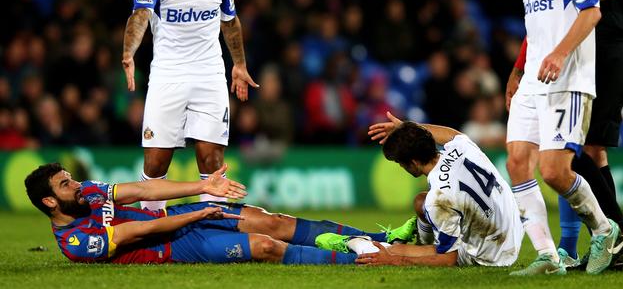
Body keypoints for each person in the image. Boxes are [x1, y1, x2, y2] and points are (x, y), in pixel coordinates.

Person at [507, 0, 623, 267]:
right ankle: (550, 255)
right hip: (537, 77)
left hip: (578, 67)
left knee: (565, 163)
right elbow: (535, 25)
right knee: (519, 161)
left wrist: (561, 53)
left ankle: (608, 228)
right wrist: (519, 70)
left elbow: (602, 0)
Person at [24, 162, 417, 265]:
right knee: (265, 245)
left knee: (271, 221)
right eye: (65, 185)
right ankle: (360, 259)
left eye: (70, 179)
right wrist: (194, 217)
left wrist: (203, 189)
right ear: (49, 203)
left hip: (185, 216)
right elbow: (139, 234)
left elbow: (142, 190)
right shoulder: (75, 242)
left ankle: (383, 238)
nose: (75, 185)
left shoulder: (90, 195)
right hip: (174, 245)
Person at [121, 0, 258, 211]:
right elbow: (140, 17)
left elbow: (230, 22)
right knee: (156, 163)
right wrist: (129, 52)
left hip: (210, 76)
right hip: (168, 77)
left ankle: (214, 228)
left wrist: (239, 64)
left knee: (212, 160)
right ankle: (152, 227)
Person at [316, 112, 524, 267]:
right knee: (419, 202)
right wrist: (409, 128)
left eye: (400, 163)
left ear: (413, 163)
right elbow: (451, 134)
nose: (401, 167)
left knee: (394, 251)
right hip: (512, 230)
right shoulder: (463, 147)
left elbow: (448, 258)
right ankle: (418, 241)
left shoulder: (440, 198)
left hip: (492, 256)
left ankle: (360, 244)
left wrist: (396, 259)